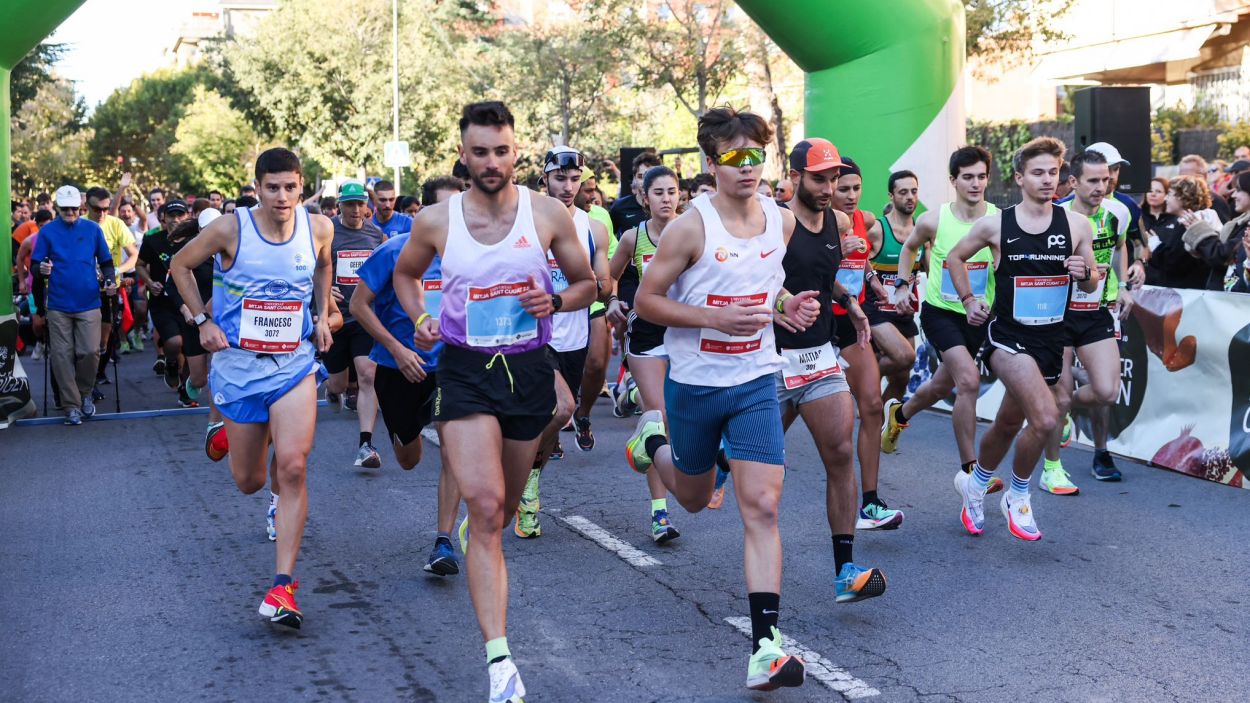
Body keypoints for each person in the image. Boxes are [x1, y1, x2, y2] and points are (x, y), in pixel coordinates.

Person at [392, 101, 596, 703]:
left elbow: (588, 284)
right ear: (463, 154)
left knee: (500, 512)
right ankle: (500, 662)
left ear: (515, 151)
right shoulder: (436, 220)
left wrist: (555, 303)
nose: (491, 162)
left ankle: (482, 529)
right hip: (464, 371)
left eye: (501, 151)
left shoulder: (547, 213)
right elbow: (405, 277)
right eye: (479, 152)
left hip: (527, 372)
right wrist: (421, 318)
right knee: (484, 510)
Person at [625, 106, 819, 691]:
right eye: (734, 157)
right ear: (712, 163)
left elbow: (768, 285)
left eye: (755, 155)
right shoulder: (691, 228)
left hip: (756, 379)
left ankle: (765, 648)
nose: (747, 167)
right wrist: (713, 317)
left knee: (761, 505)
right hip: (695, 385)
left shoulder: (781, 221)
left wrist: (786, 306)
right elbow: (647, 302)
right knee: (691, 498)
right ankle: (653, 442)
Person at [170, 147, 334, 630]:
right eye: (272, 187)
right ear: (257, 188)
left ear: (301, 186)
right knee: (250, 481)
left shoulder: (318, 228)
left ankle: (283, 586)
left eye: (290, 187)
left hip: (293, 364)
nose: (282, 196)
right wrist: (202, 321)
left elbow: (324, 266)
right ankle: (234, 432)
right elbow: (179, 265)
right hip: (238, 368)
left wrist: (323, 314)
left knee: (294, 466)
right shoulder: (230, 228)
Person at [948, 137, 1099, 541]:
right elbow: (954, 258)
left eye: (1053, 172)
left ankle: (976, 485)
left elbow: (1092, 282)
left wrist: (1085, 273)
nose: (1048, 180)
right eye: (1038, 173)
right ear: (1019, 178)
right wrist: (969, 300)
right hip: (1007, 339)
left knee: (1008, 422)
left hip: (1051, 339)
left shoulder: (1076, 225)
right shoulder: (996, 224)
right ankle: (1018, 495)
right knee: (1046, 418)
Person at [778, 137, 887, 602]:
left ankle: (846, 570)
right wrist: (783, 303)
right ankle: (704, 460)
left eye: (834, 178)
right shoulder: (776, 223)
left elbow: (825, 278)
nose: (828, 188)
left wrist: (850, 303)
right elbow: (755, 281)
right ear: (795, 176)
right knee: (750, 462)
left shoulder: (837, 222)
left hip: (819, 354)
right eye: (819, 179)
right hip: (771, 359)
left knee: (840, 452)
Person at [883, 146, 1004, 494]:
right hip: (941, 313)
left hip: (979, 317)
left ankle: (900, 415)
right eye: (968, 177)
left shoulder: (999, 219)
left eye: (981, 176)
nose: (976, 183)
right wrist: (902, 284)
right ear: (953, 180)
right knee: (968, 381)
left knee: (939, 386)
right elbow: (909, 248)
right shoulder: (934, 220)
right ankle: (971, 473)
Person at [350, 207, 462, 577]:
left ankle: (443, 542)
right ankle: (403, 433)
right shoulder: (393, 250)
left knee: (454, 450)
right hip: (398, 367)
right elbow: (358, 305)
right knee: (409, 458)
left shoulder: (469, 253)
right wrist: (396, 350)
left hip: (451, 366)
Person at [513, 146, 612, 540]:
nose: (568, 186)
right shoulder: (528, 222)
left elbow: (604, 284)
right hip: (536, 334)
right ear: (545, 179)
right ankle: (519, 477)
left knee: (555, 421)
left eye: (574, 179)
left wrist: (593, 280)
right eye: (560, 178)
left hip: (575, 335)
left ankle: (528, 481)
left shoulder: (594, 228)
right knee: (564, 406)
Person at [1041, 149, 1134, 492]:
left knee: (1107, 391)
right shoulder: (1056, 215)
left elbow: (1121, 246)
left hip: (1097, 310)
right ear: (1073, 182)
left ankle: (1064, 409)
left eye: (1105, 180)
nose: (1101, 187)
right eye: (1093, 180)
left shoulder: (1118, 212)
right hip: (1059, 314)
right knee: (1060, 395)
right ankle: (1052, 468)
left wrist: (1122, 286)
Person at [607, 165, 685, 542]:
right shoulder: (633, 237)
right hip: (647, 335)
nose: (666, 199)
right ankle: (660, 515)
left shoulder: (694, 231)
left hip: (686, 333)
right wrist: (611, 302)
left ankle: (633, 395)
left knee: (685, 416)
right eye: (658, 193)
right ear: (644, 198)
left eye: (672, 191)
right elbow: (610, 276)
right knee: (660, 420)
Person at [829, 157, 905, 529]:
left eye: (856, 188)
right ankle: (734, 456)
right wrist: (837, 253)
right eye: (843, 189)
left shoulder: (866, 219)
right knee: (787, 411)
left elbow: (861, 259)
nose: (851, 195)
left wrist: (872, 278)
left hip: (851, 321)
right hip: (815, 324)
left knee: (872, 405)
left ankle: (871, 504)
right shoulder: (813, 223)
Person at [31, 186, 117, 425]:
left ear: (81, 207)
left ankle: (85, 393)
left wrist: (110, 280)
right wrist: (41, 269)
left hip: (89, 301)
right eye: (65, 208)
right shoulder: (47, 232)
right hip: (58, 303)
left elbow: (106, 261)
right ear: (57, 208)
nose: (70, 212)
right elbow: (34, 265)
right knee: (61, 355)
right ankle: (71, 405)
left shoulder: (93, 229)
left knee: (90, 351)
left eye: (74, 208)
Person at [322, 180, 387, 467]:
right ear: (340, 206)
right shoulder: (328, 232)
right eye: (349, 204)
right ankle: (332, 387)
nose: (355, 210)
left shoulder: (376, 235)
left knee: (367, 376)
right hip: (336, 317)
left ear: (366, 205)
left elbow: (387, 268)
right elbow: (314, 269)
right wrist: (326, 290)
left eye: (360, 204)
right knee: (338, 384)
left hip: (364, 316)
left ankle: (366, 446)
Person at [571, 170, 618, 450]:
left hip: (593, 299)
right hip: (557, 303)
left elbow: (611, 264)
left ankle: (583, 413)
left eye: (593, 188)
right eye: (587, 190)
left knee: (598, 363)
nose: (593, 195)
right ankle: (555, 425)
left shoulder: (600, 218)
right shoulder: (543, 214)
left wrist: (612, 298)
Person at [870, 170, 924, 403]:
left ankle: (881, 420)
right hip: (877, 311)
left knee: (901, 378)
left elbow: (930, 267)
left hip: (903, 312)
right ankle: (859, 376)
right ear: (891, 196)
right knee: (905, 357)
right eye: (903, 192)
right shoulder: (876, 229)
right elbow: (854, 264)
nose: (910, 197)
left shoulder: (922, 230)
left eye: (914, 191)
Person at [84, 186, 139, 387]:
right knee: (86, 340)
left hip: (109, 289)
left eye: (106, 209)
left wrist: (117, 270)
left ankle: (99, 373)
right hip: (84, 290)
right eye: (97, 209)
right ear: (86, 206)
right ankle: (87, 380)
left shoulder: (116, 224)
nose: (102, 214)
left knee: (103, 340)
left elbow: (134, 255)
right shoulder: (80, 224)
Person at [136, 200, 193, 394]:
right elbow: (139, 265)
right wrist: (150, 282)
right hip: (162, 301)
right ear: (163, 218)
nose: (176, 220)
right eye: (171, 216)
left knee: (190, 349)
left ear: (187, 217)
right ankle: (170, 362)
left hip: (190, 301)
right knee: (175, 342)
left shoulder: (195, 240)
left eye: (180, 215)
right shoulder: (153, 240)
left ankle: (186, 391)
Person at [1135, 175, 1214, 290]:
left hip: (1187, 293)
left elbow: (1174, 263)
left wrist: (1155, 245)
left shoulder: (1190, 224)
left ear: (1183, 197)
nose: (1166, 199)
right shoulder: (1183, 222)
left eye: (1170, 194)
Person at [1185, 170, 1250, 291]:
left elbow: (1223, 256)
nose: (1233, 195)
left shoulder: (1246, 227)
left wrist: (1200, 232)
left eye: (1238, 190)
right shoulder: (1239, 223)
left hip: (1234, 299)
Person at [1178, 154, 1231, 223]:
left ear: (1203, 177)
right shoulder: (1175, 201)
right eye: (1180, 177)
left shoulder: (1215, 201)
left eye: (1188, 177)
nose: (1182, 182)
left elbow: (1223, 228)